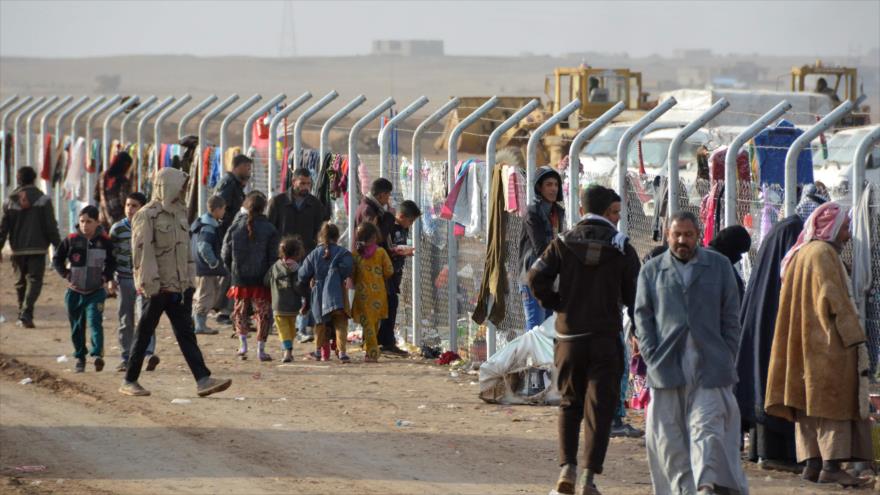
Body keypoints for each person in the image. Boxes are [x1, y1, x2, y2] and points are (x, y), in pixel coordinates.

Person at [528, 185, 640, 495]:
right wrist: (638, 331)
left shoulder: (562, 242)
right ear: (606, 212)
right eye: (616, 212)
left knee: (569, 404)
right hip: (605, 338)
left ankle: (567, 468)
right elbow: (636, 296)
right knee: (600, 409)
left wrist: (558, 303)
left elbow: (535, 277)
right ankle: (589, 478)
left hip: (569, 338)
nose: (618, 218)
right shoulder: (622, 247)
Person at [635, 210, 749, 495]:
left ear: (699, 235)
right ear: (667, 235)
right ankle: (684, 488)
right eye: (677, 235)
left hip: (711, 366)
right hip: (667, 366)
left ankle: (705, 484)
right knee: (669, 438)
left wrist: (727, 353)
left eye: (688, 234)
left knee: (707, 428)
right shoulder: (652, 270)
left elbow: (731, 317)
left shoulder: (719, 266)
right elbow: (642, 317)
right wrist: (651, 355)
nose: (682, 240)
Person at [765, 202, 872, 487]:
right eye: (846, 228)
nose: (848, 236)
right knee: (832, 405)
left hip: (802, 344)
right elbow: (834, 300)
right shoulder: (824, 254)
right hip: (827, 344)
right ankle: (831, 465)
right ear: (832, 228)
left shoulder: (800, 253)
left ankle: (812, 464)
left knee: (809, 405)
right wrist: (856, 339)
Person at [120, 167, 231, 398]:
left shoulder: (180, 213)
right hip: (157, 287)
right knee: (144, 333)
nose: (182, 190)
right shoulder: (146, 215)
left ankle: (203, 379)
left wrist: (189, 282)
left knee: (186, 333)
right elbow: (143, 254)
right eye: (179, 185)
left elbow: (186, 253)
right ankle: (130, 380)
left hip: (178, 287)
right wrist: (150, 285)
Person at [736, 214, 805, 471]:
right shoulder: (778, 284)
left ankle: (762, 452)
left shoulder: (762, 280)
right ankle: (776, 455)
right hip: (774, 341)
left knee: (761, 384)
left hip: (762, 340)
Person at [267, 167, 330, 344]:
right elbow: (270, 230)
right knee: (284, 293)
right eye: (302, 183)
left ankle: (301, 328)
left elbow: (320, 232)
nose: (305, 187)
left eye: (308, 183)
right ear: (293, 182)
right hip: (283, 258)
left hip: (307, 256)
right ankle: (284, 325)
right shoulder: (277, 202)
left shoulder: (315, 205)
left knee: (305, 291)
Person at [52, 205, 116, 373]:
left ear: (97, 222)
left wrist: (105, 277)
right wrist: (66, 274)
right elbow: (57, 259)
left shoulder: (105, 241)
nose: (85, 225)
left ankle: (97, 356)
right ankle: (80, 357)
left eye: (89, 221)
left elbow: (112, 262)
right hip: (74, 291)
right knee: (77, 326)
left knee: (95, 321)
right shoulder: (71, 239)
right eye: (82, 221)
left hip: (96, 292)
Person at [0, 166, 62, 328]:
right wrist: (59, 247)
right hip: (38, 247)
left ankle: (23, 313)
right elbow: (51, 227)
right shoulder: (44, 200)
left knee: (20, 282)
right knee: (35, 281)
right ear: (34, 179)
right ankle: (26, 313)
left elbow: (3, 228)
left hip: (17, 249)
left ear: (18, 179)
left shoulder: (9, 201)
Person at [222, 191, 279, 362]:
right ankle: (261, 349)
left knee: (240, 312)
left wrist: (232, 270)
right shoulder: (270, 229)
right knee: (262, 314)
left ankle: (243, 346)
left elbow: (225, 253)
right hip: (261, 280)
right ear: (264, 208)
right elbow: (273, 256)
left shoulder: (235, 226)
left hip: (239, 278)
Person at [109, 192, 158, 372]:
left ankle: (148, 353)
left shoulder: (150, 227)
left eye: (134, 205)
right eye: (128, 205)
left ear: (142, 208)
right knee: (125, 319)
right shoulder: (117, 229)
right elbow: (110, 255)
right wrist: (110, 279)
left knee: (145, 317)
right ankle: (126, 356)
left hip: (144, 280)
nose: (130, 209)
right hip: (124, 279)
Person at [298, 222, 354, 362]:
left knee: (320, 324)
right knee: (340, 322)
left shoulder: (313, 254)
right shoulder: (343, 253)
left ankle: (319, 352)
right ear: (337, 237)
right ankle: (342, 353)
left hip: (319, 294)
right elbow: (348, 268)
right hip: (338, 294)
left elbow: (302, 274)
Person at [518, 166, 564, 332]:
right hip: (533, 276)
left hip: (552, 276)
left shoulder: (558, 212)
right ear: (539, 187)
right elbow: (540, 248)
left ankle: (546, 359)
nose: (553, 189)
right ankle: (533, 359)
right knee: (535, 328)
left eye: (556, 185)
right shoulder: (532, 213)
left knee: (550, 327)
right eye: (548, 185)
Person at [377, 199, 421, 356]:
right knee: (389, 304)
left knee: (391, 304)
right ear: (402, 216)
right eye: (410, 221)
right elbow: (384, 249)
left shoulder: (403, 229)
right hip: (386, 273)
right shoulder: (389, 227)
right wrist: (397, 252)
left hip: (395, 273)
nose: (410, 224)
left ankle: (383, 341)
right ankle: (385, 342)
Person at [213, 154, 252, 326]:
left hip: (229, 234)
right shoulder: (229, 184)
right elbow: (220, 208)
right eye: (247, 167)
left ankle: (225, 309)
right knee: (230, 272)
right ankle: (224, 311)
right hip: (227, 235)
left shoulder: (234, 184)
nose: (249, 171)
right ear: (238, 167)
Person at [352, 222, 393, 363]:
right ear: (374, 237)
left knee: (367, 324)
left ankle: (372, 351)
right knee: (374, 324)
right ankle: (371, 351)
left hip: (362, 296)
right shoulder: (381, 252)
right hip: (378, 295)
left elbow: (352, 274)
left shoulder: (356, 254)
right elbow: (389, 271)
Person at [190, 194, 227, 335]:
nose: (224, 212)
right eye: (223, 209)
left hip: (199, 266)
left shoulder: (200, 223)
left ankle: (197, 322)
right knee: (206, 295)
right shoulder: (208, 227)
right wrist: (214, 263)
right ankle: (200, 325)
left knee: (206, 293)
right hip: (205, 268)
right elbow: (204, 247)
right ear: (217, 209)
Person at [265, 236, 306, 363]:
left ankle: (287, 351)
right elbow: (299, 286)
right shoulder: (298, 269)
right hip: (293, 306)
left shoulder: (275, 266)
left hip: (278, 305)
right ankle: (288, 351)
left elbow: (266, 281)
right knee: (291, 329)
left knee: (283, 330)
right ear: (297, 253)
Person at [707, 225, 752, 297]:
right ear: (734, 249)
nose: (739, 258)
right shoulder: (727, 270)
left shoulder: (697, 257)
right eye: (740, 253)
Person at [95, 151, 133, 228]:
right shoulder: (123, 180)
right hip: (119, 220)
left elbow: (96, 196)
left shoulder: (102, 176)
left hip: (103, 218)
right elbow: (124, 201)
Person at [355, 177, 396, 250]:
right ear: (381, 195)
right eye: (388, 195)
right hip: (370, 257)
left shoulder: (370, 206)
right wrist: (390, 216)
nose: (388, 199)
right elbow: (377, 237)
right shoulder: (368, 210)